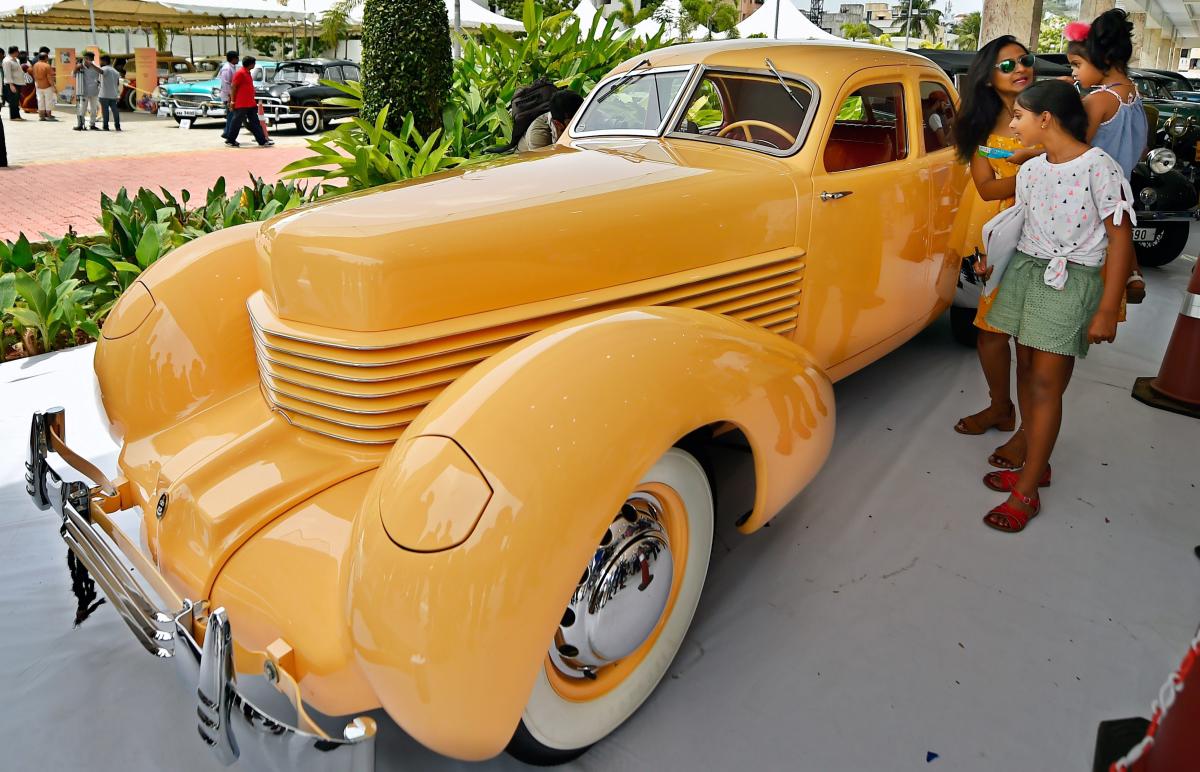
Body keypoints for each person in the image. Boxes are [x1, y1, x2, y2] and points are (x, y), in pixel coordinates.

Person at [977, 79, 1134, 532]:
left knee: (1046, 383)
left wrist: (1107, 308)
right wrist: (996, 260)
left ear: (1045, 118)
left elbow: (1120, 238)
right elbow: (1019, 223)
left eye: (1020, 116)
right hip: (1026, 272)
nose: (1013, 124)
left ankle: (1025, 491)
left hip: (1069, 280)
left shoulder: (1099, 168)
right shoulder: (1032, 170)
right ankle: (1035, 464)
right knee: (1026, 367)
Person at [951, 36, 1042, 472]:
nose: (1021, 67)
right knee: (989, 330)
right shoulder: (977, 126)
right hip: (993, 234)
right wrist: (1032, 171)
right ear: (988, 78)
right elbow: (986, 188)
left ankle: (1029, 432)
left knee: (1029, 340)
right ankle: (1000, 407)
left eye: (1025, 60)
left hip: (1041, 234)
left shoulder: (1050, 114)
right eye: (1008, 65)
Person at [1064, 9, 1148, 304]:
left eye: (1076, 64)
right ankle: (1133, 273)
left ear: (1104, 59)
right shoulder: (1134, 96)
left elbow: (1072, 148)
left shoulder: (1097, 101)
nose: (1074, 72)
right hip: (1121, 185)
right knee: (1119, 233)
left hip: (1091, 191)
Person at [224, 56, 272, 148]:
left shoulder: (248, 73)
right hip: (241, 104)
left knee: (255, 122)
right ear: (250, 64)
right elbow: (233, 87)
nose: (254, 65)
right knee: (236, 123)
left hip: (250, 103)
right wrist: (233, 101)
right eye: (254, 63)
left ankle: (262, 141)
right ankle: (230, 140)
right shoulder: (240, 73)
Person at [517, 89, 583, 151]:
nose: (580, 123)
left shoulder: (565, 117)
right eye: (574, 121)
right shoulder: (538, 136)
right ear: (558, 124)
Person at [73, 51, 100, 131]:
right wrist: (76, 68)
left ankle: (92, 124)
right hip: (83, 91)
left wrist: (93, 65)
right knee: (82, 109)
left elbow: (101, 73)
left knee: (93, 109)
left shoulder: (96, 66)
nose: (87, 60)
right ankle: (80, 124)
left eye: (89, 59)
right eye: (86, 59)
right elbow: (73, 75)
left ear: (92, 59)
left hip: (94, 91)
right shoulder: (80, 67)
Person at [217, 50, 238, 143]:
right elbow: (226, 84)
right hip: (228, 96)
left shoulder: (232, 67)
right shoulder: (227, 68)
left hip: (232, 95)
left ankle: (227, 132)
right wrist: (230, 97)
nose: (238, 59)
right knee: (231, 116)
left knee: (231, 116)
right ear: (233, 58)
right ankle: (228, 134)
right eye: (237, 57)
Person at [97, 55, 121, 131]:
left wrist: (91, 65)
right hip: (113, 95)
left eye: (101, 61)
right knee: (115, 111)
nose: (100, 63)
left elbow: (101, 71)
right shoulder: (116, 71)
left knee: (105, 111)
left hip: (104, 94)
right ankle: (117, 126)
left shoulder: (104, 68)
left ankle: (105, 126)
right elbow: (117, 84)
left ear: (104, 61)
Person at [32, 51, 55, 120]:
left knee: (40, 101)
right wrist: (53, 86)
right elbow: (49, 77)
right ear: (45, 58)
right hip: (47, 86)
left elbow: (34, 75)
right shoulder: (47, 66)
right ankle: (48, 115)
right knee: (48, 101)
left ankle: (41, 116)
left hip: (38, 85)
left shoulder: (35, 65)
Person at [3, 46, 24, 121]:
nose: (18, 52)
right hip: (12, 83)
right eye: (17, 51)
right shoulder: (7, 61)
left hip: (18, 82)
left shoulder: (16, 60)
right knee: (13, 101)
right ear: (14, 51)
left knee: (16, 100)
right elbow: (7, 73)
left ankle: (17, 115)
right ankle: (13, 116)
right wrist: (11, 85)